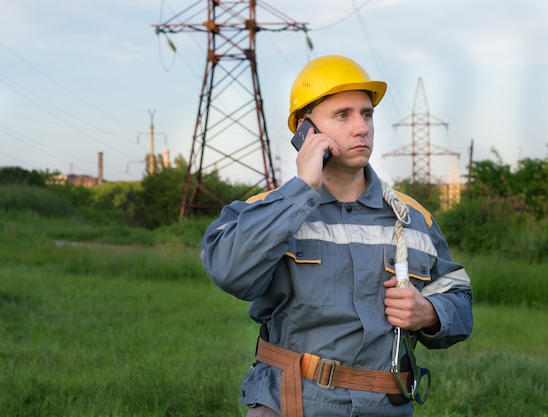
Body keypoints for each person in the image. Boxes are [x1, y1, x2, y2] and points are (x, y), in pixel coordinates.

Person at [200, 55, 473, 417]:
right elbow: (228, 271)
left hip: (385, 406)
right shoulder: (264, 210)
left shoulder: (412, 219)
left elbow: (459, 299)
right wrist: (301, 190)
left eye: (367, 114)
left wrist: (430, 313)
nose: (361, 127)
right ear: (305, 129)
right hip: (291, 404)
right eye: (343, 115)